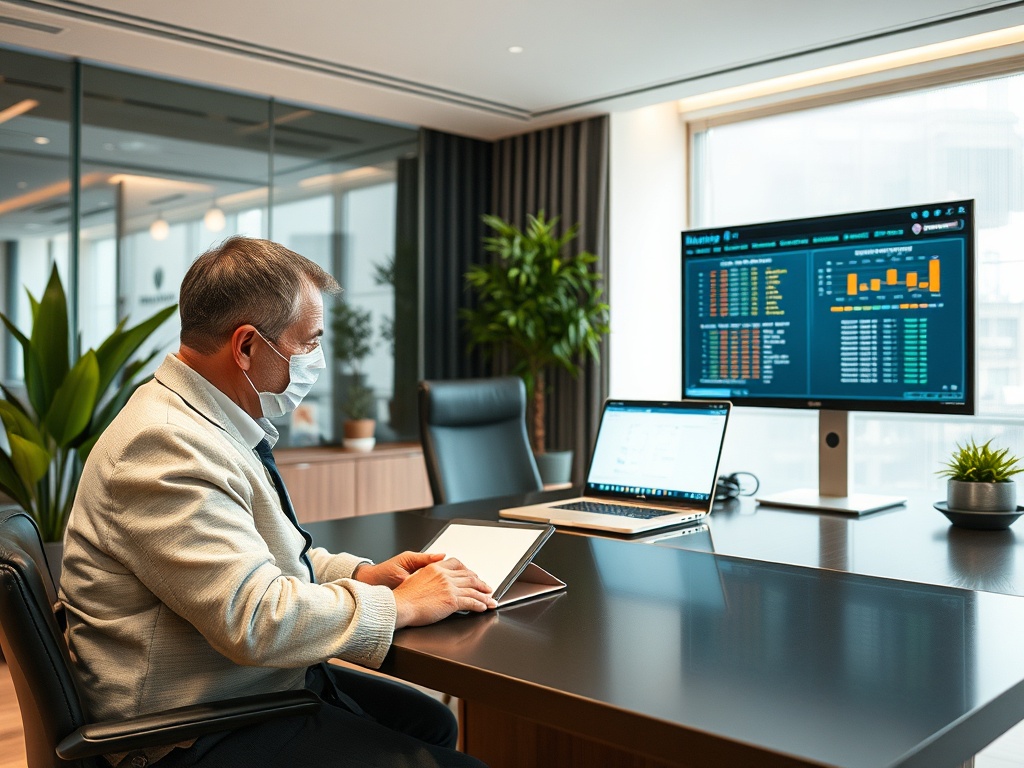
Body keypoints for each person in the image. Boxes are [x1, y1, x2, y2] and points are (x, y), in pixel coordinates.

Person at [60, 236, 495, 768]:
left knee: (431, 721)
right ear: (246, 346)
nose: (318, 360)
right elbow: (255, 619)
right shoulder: (164, 446)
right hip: (186, 731)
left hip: (236, 689)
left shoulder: (207, 423)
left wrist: (362, 576)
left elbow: (270, 559)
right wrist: (399, 605)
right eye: (309, 342)